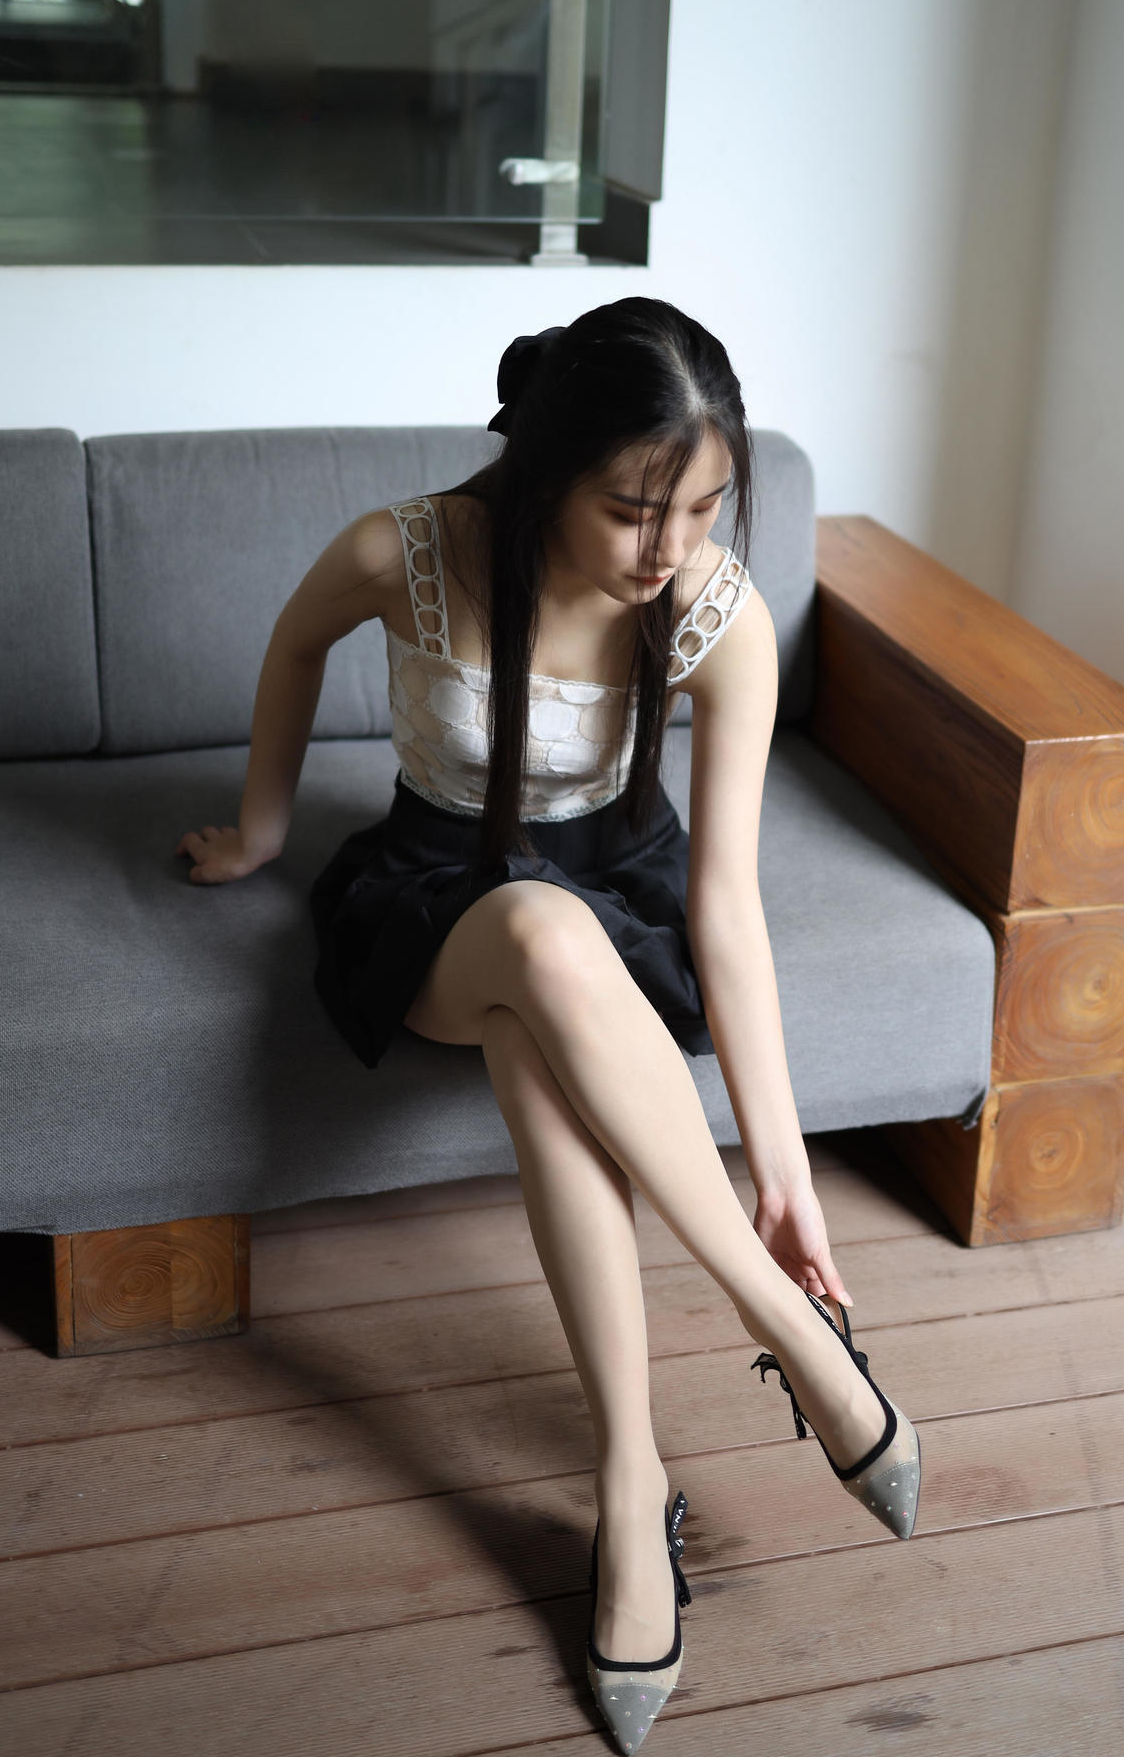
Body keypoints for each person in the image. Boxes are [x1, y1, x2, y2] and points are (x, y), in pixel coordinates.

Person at [174, 297, 919, 1754]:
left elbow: (728, 906)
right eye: (636, 510)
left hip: (616, 900)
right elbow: (293, 644)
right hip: (438, 895)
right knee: (531, 932)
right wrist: (262, 828)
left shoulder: (717, 616)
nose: (670, 549)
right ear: (548, 470)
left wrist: (784, 1174)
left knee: (541, 1030)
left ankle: (631, 1486)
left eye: (703, 508)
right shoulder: (409, 553)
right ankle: (789, 1335)